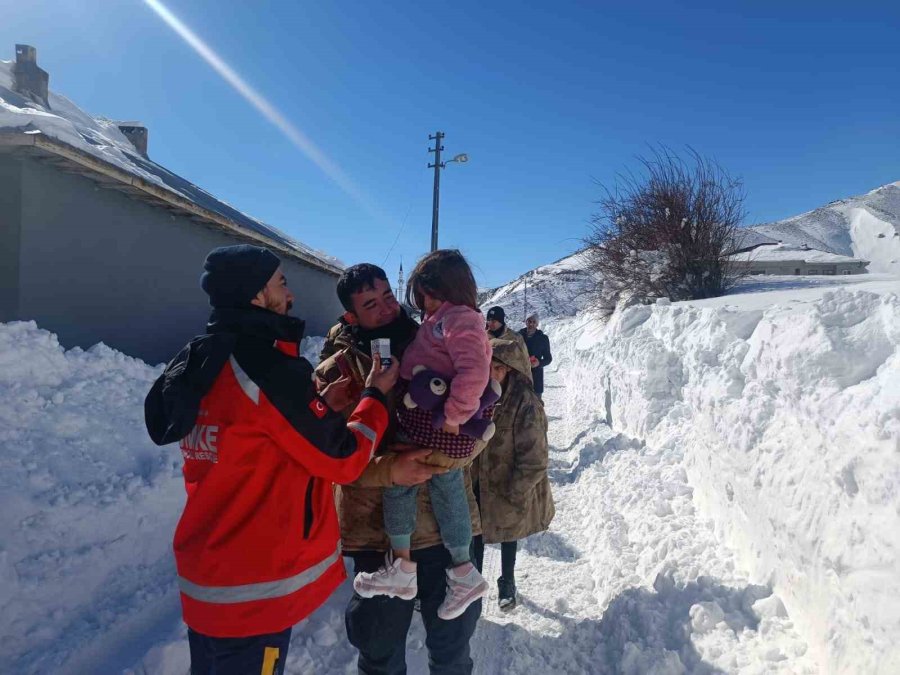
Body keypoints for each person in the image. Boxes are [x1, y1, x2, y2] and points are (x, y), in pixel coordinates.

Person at [144, 245, 398, 675]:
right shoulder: (268, 368)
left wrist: (317, 406)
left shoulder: (202, 358)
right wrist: (375, 395)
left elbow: (257, 433)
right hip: (253, 588)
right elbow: (344, 460)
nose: (291, 294)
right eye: (281, 282)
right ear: (256, 295)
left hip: (209, 577)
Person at [314, 262, 484, 675]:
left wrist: (447, 451)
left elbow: (480, 430)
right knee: (380, 652)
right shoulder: (335, 371)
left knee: (452, 651)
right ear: (351, 316)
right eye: (372, 304)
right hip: (377, 534)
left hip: (448, 528)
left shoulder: (439, 339)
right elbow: (327, 457)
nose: (387, 308)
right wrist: (389, 470)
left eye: (388, 295)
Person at [353, 250, 492, 621]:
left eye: (425, 297)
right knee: (445, 483)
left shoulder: (457, 319)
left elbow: (474, 372)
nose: (422, 306)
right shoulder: (443, 318)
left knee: (400, 481)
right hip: (437, 420)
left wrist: (455, 414)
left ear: (440, 289)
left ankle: (403, 567)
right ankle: (463, 571)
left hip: (439, 424)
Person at [472, 337, 555, 611]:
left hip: (508, 483)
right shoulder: (475, 394)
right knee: (475, 534)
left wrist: (516, 490)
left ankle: (507, 580)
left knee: (508, 532)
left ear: (510, 369)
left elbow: (535, 457)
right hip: (476, 482)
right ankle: (473, 584)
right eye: (489, 366)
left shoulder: (525, 403)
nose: (492, 373)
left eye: (499, 367)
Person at [485, 306, 533, 386]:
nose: (490, 323)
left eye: (494, 320)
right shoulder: (482, 337)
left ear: (501, 321)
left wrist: (528, 383)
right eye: (489, 320)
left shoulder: (516, 337)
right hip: (489, 383)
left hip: (511, 384)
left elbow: (526, 363)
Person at [519, 313, 552, 399]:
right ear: (526, 322)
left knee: (536, 407)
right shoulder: (518, 336)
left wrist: (539, 363)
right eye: (529, 321)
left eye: (534, 322)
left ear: (537, 324)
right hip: (520, 376)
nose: (531, 324)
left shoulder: (543, 338)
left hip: (536, 378)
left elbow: (548, 358)